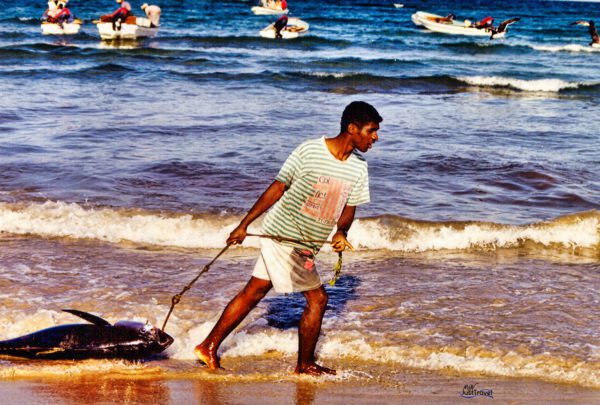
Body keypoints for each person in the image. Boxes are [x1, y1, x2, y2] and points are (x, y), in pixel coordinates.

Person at [194, 101, 382, 376]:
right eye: (371, 131)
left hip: (308, 243)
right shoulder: (310, 150)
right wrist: (244, 225)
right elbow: (279, 187)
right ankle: (304, 365)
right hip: (284, 235)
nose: (375, 137)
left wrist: (342, 232)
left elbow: (349, 207)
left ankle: (208, 345)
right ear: (352, 129)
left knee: (254, 292)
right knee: (318, 300)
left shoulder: (358, 167)